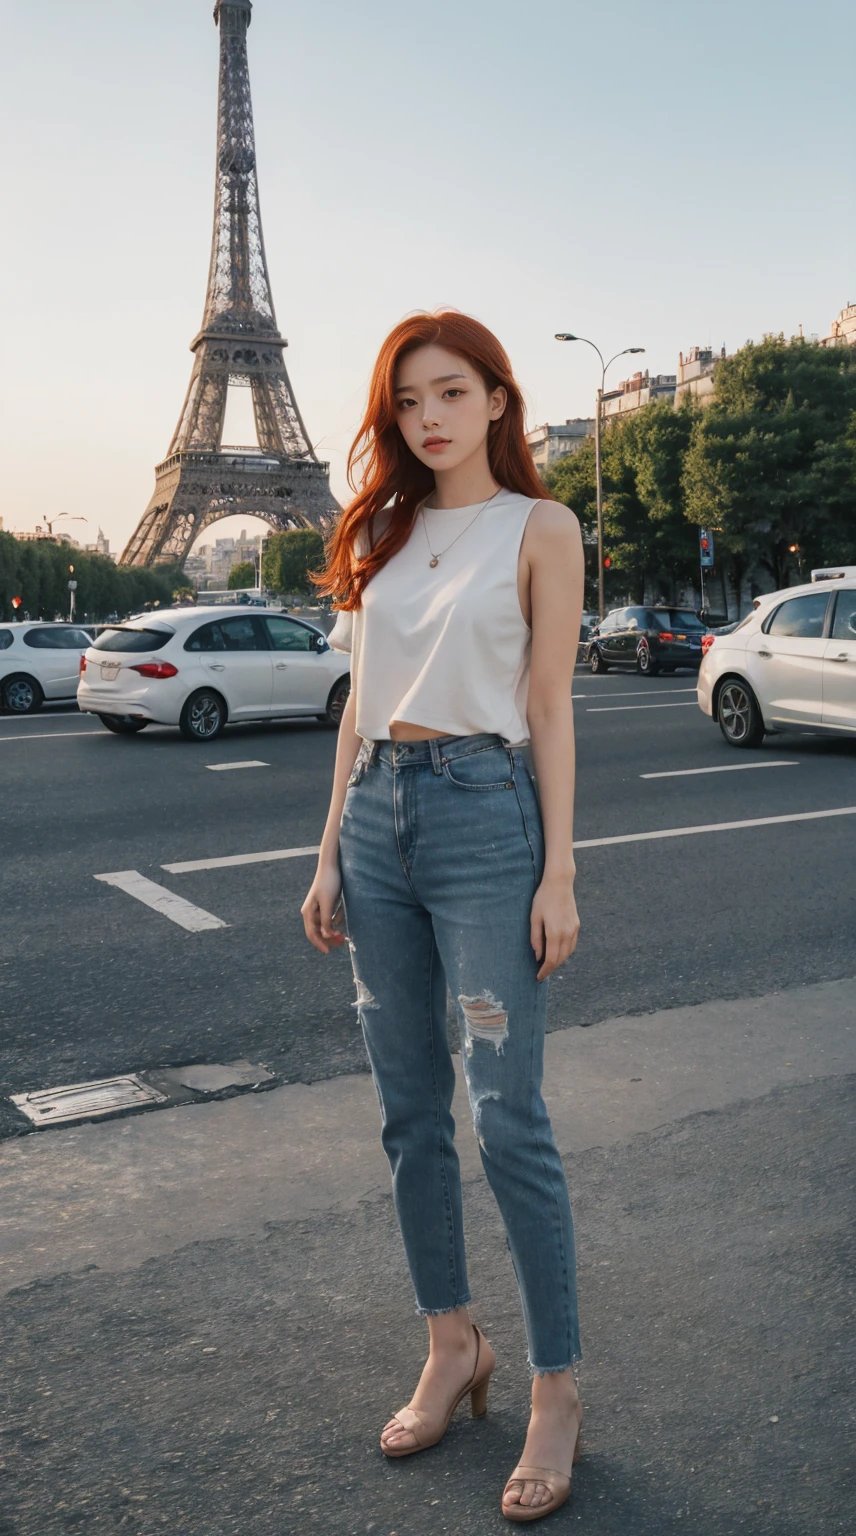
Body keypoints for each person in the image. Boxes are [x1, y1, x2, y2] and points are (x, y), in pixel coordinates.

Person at [301, 310, 585, 1522]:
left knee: (506, 1115)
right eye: (407, 400)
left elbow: (552, 703)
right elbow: (359, 708)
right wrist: (324, 856)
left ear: (497, 402)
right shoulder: (382, 526)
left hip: (484, 819)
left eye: (451, 392)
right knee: (409, 1115)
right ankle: (450, 1339)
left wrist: (559, 871)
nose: (427, 418)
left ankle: (555, 1386)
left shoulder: (540, 525)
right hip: (376, 824)